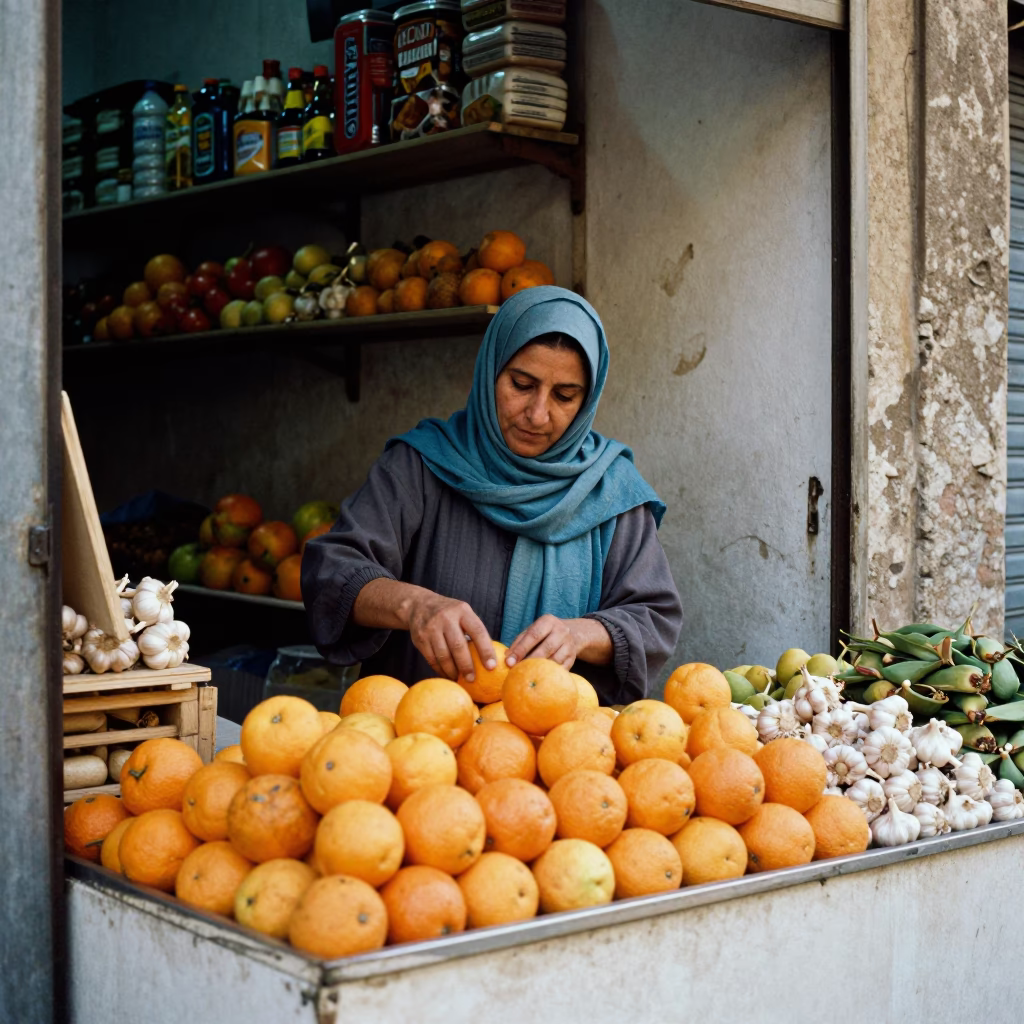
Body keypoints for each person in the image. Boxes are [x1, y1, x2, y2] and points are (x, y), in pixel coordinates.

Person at [302, 286, 682, 705]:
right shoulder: (421, 464)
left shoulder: (611, 489)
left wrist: (582, 634)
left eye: (564, 395)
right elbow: (332, 571)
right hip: (419, 743)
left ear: (587, 399)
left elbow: (654, 617)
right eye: (522, 384)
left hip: (558, 752)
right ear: (490, 373)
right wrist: (414, 605)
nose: (538, 414)